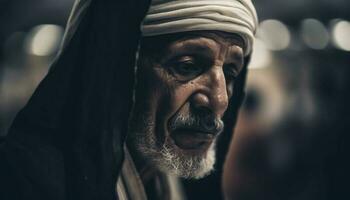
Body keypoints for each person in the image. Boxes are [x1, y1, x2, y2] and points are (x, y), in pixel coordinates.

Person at [0, 0, 257, 199]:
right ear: (121, 70)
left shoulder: (176, 184)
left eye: (230, 73)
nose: (219, 100)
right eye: (187, 66)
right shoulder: (19, 181)